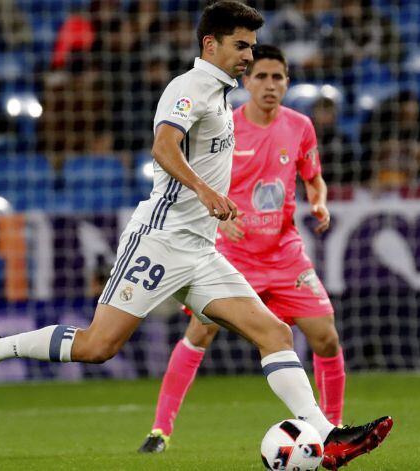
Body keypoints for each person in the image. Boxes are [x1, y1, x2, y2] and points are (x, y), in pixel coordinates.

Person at [0, 3, 392, 469]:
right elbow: (163, 146)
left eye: (252, 47)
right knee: (99, 346)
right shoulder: (189, 87)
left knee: (275, 332)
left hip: (199, 249)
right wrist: (205, 192)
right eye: (241, 46)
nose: (247, 55)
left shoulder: (221, 95)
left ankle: (327, 437)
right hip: (159, 239)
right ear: (210, 44)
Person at [138, 44, 351, 454]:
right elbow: (202, 180)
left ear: (287, 83)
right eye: (262, 76)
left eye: (278, 77)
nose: (270, 85)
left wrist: (319, 200)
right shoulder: (226, 127)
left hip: (285, 252)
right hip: (233, 254)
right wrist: (224, 217)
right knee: (201, 330)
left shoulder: (301, 126)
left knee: (325, 337)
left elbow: (314, 177)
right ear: (247, 82)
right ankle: (160, 431)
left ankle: (333, 428)